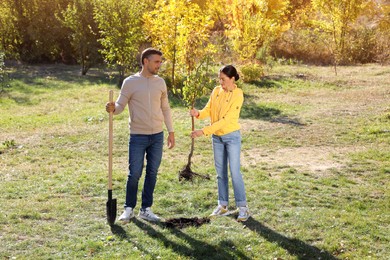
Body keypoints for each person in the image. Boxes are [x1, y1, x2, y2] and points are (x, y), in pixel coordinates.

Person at [105, 48, 175, 222]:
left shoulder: (160, 83)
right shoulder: (130, 82)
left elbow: (165, 108)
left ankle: (146, 209)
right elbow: (120, 106)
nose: (159, 65)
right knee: (134, 173)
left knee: (152, 172)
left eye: (160, 61)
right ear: (146, 61)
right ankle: (128, 209)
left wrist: (171, 132)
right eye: (156, 61)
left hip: (157, 135)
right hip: (138, 136)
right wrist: (113, 108)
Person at [190, 65, 249, 222]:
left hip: (231, 137)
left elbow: (227, 120)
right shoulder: (216, 91)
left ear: (232, 79)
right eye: (219, 79)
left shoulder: (238, 94)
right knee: (220, 173)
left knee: (235, 172)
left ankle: (242, 208)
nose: (220, 82)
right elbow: (208, 110)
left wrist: (203, 131)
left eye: (223, 79)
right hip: (217, 138)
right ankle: (222, 205)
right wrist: (198, 114)